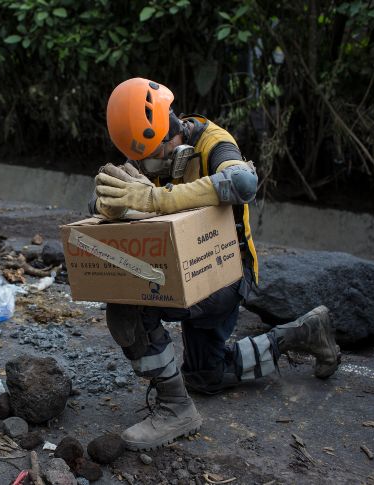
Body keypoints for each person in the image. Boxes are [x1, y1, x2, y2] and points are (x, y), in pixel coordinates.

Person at [90, 77, 341, 451]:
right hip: (183, 270)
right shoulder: (145, 154)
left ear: (167, 132)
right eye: (137, 158)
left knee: (127, 306)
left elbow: (243, 183)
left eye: (148, 156)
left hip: (226, 275)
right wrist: (103, 204)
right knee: (207, 376)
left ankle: (176, 410)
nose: (142, 165)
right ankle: (303, 333)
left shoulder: (212, 142)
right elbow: (103, 202)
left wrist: (155, 199)